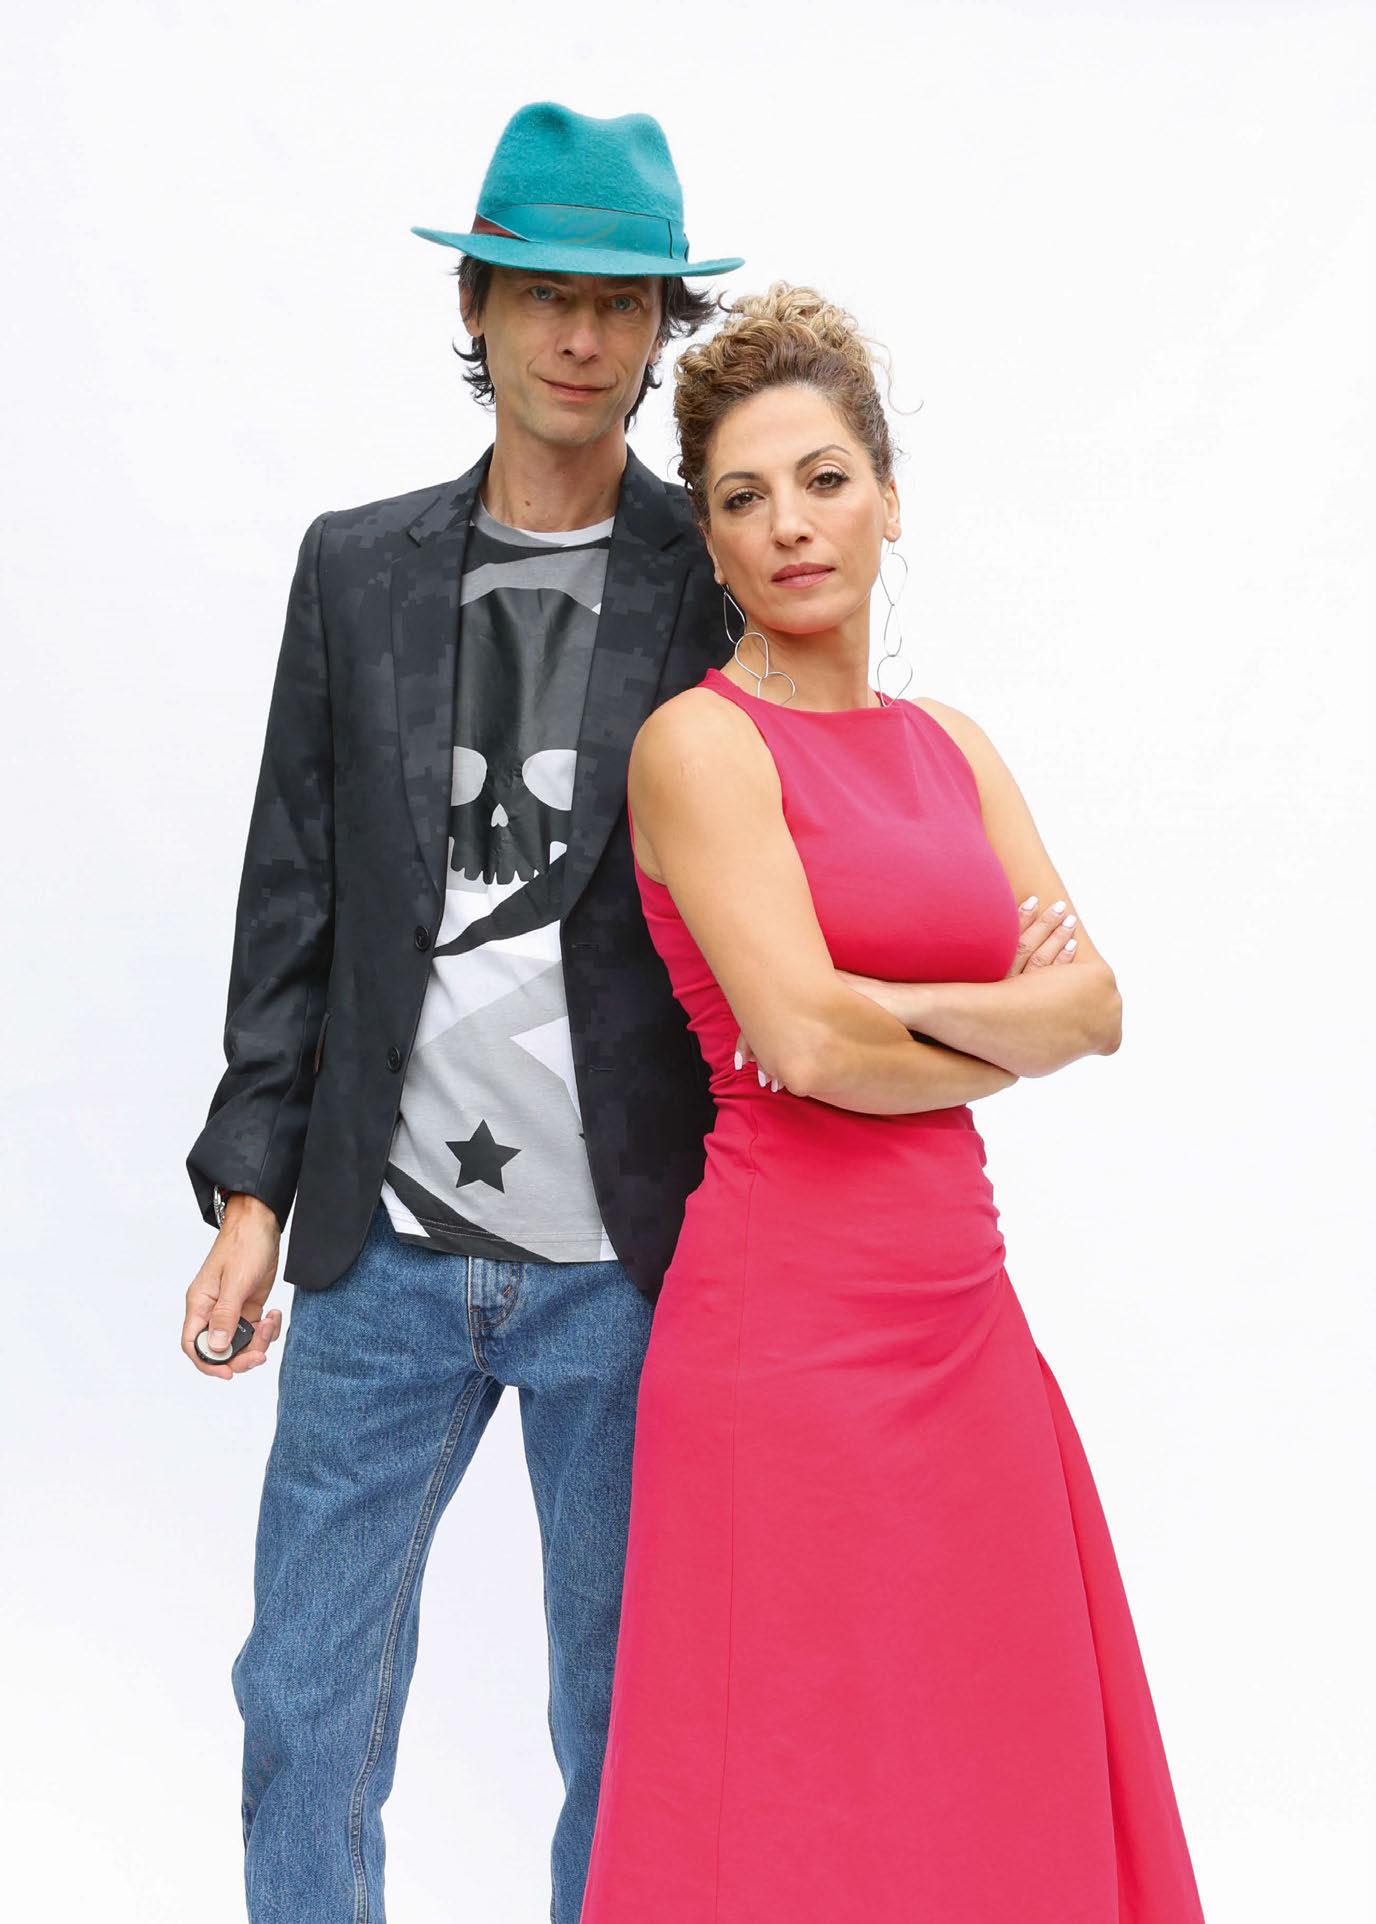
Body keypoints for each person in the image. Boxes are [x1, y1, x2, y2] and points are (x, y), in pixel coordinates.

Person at [578, 283, 1208, 1922]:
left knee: (992, 1774)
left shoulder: (952, 747)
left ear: (890, 501)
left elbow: (1099, 1006)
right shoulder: (698, 750)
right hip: (783, 1337)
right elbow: (805, 1046)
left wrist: (902, 1006)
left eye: (825, 479)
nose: (790, 524)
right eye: (742, 499)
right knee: (792, 1801)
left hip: (966, 1319)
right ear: (712, 548)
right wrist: (991, 1029)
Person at [179, 101, 742, 1923]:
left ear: (659, 328)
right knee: (303, 1706)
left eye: (621, 302)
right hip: (379, 1259)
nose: (582, 337)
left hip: (635, 1266)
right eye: (544, 295)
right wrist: (251, 1198)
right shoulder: (358, 569)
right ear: (478, 307)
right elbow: (296, 894)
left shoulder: (717, 576)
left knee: (632, 1731)